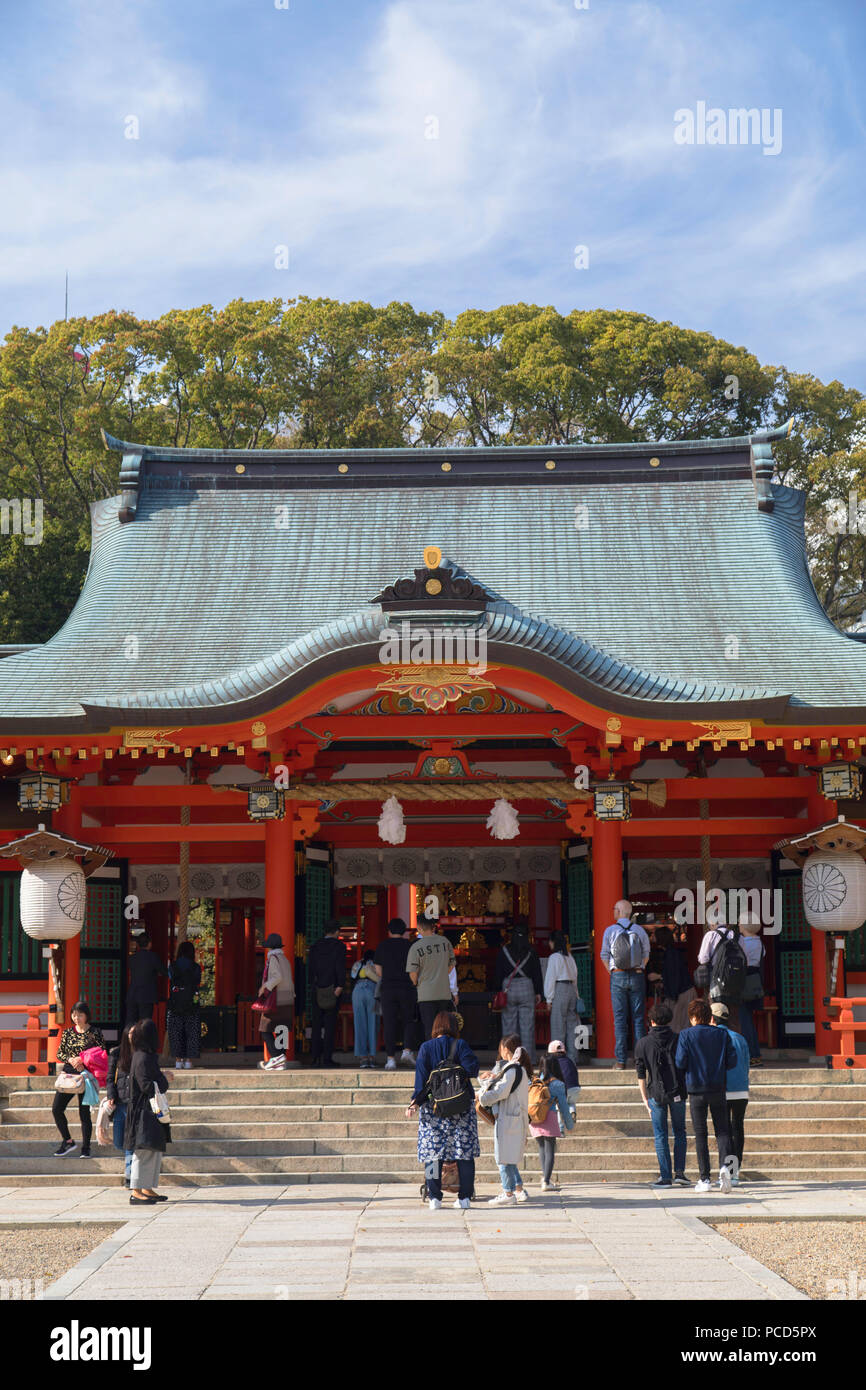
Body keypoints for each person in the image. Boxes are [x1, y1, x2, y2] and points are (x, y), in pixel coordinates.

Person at [406, 1011, 480, 1210]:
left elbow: (421, 1080)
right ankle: (464, 1198)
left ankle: (435, 1198)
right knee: (464, 1152)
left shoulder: (426, 1048)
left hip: (433, 1106)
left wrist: (415, 1102)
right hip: (461, 1106)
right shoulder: (461, 1045)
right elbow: (472, 1069)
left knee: (432, 1154)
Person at [675, 998, 736, 1194]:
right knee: (723, 1131)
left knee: (701, 1134)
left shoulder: (685, 1035)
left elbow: (680, 1062)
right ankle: (725, 1168)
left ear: (693, 1017)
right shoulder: (722, 1035)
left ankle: (705, 1178)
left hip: (696, 1090)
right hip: (718, 1088)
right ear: (709, 1016)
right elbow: (732, 1061)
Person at [634, 1002, 689, 1188]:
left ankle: (665, 1176)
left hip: (655, 1092)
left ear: (651, 1021)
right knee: (680, 1131)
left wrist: (644, 1099)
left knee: (660, 1135)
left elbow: (641, 1074)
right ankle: (680, 1172)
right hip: (678, 1090)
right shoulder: (678, 1038)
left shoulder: (643, 1043)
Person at [478, 1033, 532, 1206]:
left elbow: (501, 1092)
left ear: (506, 1049)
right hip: (513, 1118)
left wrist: (482, 1098)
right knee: (507, 1157)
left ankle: (508, 1193)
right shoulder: (517, 1069)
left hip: (508, 1119)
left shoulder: (512, 1070)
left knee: (501, 1157)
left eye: (501, 1047)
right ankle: (516, 1189)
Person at [124, 1018, 173, 1205]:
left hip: (148, 1110)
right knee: (143, 1151)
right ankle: (136, 1190)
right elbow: (146, 1086)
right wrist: (163, 1078)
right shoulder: (143, 1057)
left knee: (153, 1151)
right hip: (143, 1112)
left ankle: (147, 1187)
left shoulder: (142, 1055)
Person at [600, 899, 650, 1069]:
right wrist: (638, 968)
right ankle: (640, 1061)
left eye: (615, 909)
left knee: (620, 1019)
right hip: (637, 976)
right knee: (638, 1019)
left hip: (618, 976)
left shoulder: (610, 931)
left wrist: (613, 972)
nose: (613, 911)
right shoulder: (640, 930)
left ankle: (621, 1061)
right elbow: (646, 955)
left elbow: (604, 956)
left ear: (620, 911)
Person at [52, 1001, 105, 1158]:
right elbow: (60, 1053)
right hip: (69, 1075)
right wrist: (71, 1059)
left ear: (87, 1015)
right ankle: (68, 1141)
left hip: (86, 1076)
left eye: (80, 1014)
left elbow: (101, 1053)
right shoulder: (68, 1033)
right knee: (56, 1109)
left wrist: (84, 1060)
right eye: (74, 1014)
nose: (76, 1018)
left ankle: (86, 1147)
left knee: (84, 1114)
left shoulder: (95, 1032)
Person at [711, 1002, 751, 1184]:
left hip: (724, 1088)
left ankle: (726, 1169)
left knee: (724, 1131)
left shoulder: (715, 1037)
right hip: (741, 1088)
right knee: (738, 1129)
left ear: (712, 1018)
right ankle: (735, 1171)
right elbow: (747, 1063)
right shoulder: (740, 1038)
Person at [372, 917, 417, 1071]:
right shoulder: (410, 946)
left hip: (388, 988)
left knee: (389, 1023)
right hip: (406, 988)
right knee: (408, 1020)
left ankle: (390, 1059)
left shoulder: (383, 945)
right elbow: (414, 969)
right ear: (404, 930)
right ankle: (407, 1051)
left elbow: (378, 970)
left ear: (389, 931)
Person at [493, 927, 543, 1061]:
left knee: (509, 1025)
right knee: (528, 1026)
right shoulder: (531, 952)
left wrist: (498, 990)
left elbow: (498, 973)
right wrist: (538, 992)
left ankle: (509, 1057)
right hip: (527, 987)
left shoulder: (504, 951)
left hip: (508, 989)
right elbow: (537, 973)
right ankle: (528, 1059)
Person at [407, 914, 456, 1041]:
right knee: (445, 1028)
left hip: (426, 995)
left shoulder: (416, 947)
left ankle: (433, 1058)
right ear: (433, 926)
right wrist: (440, 974)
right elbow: (451, 966)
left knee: (430, 1029)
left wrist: (419, 982)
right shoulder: (445, 942)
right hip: (444, 993)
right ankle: (444, 1057)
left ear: (419, 927)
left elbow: (413, 975)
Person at [529, 1052, 574, 1191]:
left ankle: (544, 1177)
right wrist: (569, 1124)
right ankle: (546, 1181)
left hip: (534, 1117)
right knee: (550, 1150)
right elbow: (564, 1107)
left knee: (542, 1148)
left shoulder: (534, 1082)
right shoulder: (558, 1084)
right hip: (549, 1116)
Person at [308, 919, 347, 1067]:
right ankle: (327, 1058)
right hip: (333, 988)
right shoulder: (339, 946)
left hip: (317, 988)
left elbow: (311, 969)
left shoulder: (315, 947)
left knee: (317, 1024)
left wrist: (313, 984)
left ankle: (315, 1057)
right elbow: (340, 967)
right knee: (330, 1025)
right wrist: (340, 986)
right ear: (337, 931)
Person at [257, 932, 295, 1072]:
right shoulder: (284, 959)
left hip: (277, 999)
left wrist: (264, 987)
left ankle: (276, 1057)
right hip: (288, 998)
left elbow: (277, 977)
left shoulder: (273, 958)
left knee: (265, 1028)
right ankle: (281, 1060)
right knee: (282, 1030)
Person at [106, 1024, 135, 1186]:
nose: (132, 1036)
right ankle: (135, 1162)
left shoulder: (141, 1053)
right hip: (120, 1102)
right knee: (118, 1141)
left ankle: (130, 1175)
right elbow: (110, 1078)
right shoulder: (116, 1053)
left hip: (135, 1102)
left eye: (135, 1033)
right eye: (130, 1033)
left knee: (130, 1140)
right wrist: (111, 1095)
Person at [544, 931, 580, 1064]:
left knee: (558, 1025)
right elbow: (575, 977)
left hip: (560, 989)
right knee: (572, 1027)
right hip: (571, 990)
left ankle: (558, 1059)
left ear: (554, 942)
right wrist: (577, 995)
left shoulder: (554, 957)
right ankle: (572, 1059)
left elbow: (550, 979)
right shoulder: (569, 956)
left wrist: (549, 998)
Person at [167, 940, 202, 1070]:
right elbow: (198, 981)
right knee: (192, 1031)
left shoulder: (173, 966)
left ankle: (178, 1060)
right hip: (192, 1003)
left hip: (175, 1002)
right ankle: (188, 1061)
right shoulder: (196, 967)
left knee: (175, 1031)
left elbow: (170, 977)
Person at [736, 916, 766, 1066]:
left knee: (744, 1020)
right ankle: (756, 1054)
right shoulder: (760, 943)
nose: (739, 925)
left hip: (743, 982)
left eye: (741, 922)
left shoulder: (742, 943)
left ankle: (750, 1055)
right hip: (755, 982)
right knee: (749, 1019)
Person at [125, 934, 169, 1025]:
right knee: (144, 1025)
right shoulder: (153, 957)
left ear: (138, 945)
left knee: (131, 1024)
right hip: (146, 996)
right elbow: (164, 972)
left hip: (132, 995)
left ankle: (128, 1039)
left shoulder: (132, 958)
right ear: (149, 944)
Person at [659, 924, 696, 1033]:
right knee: (685, 1026)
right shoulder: (674, 953)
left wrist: (671, 996)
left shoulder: (670, 955)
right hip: (685, 991)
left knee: (677, 1027)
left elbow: (673, 976)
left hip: (681, 994)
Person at [351, 950, 378, 1068]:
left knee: (359, 1024)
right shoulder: (375, 964)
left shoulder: (357, 964)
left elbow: (352, 976)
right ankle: (372, 1057)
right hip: (372, 989)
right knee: (373, 1024)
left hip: (357, 989)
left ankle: (362, 1057)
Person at [547, 1039, 580, 1124]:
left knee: (559, 1107)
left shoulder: (553, 1062)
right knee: (571, 1102)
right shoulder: (569, 1061)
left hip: (564, 1088)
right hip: (575, 1088)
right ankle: (572, 1111)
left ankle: (560, 1130)